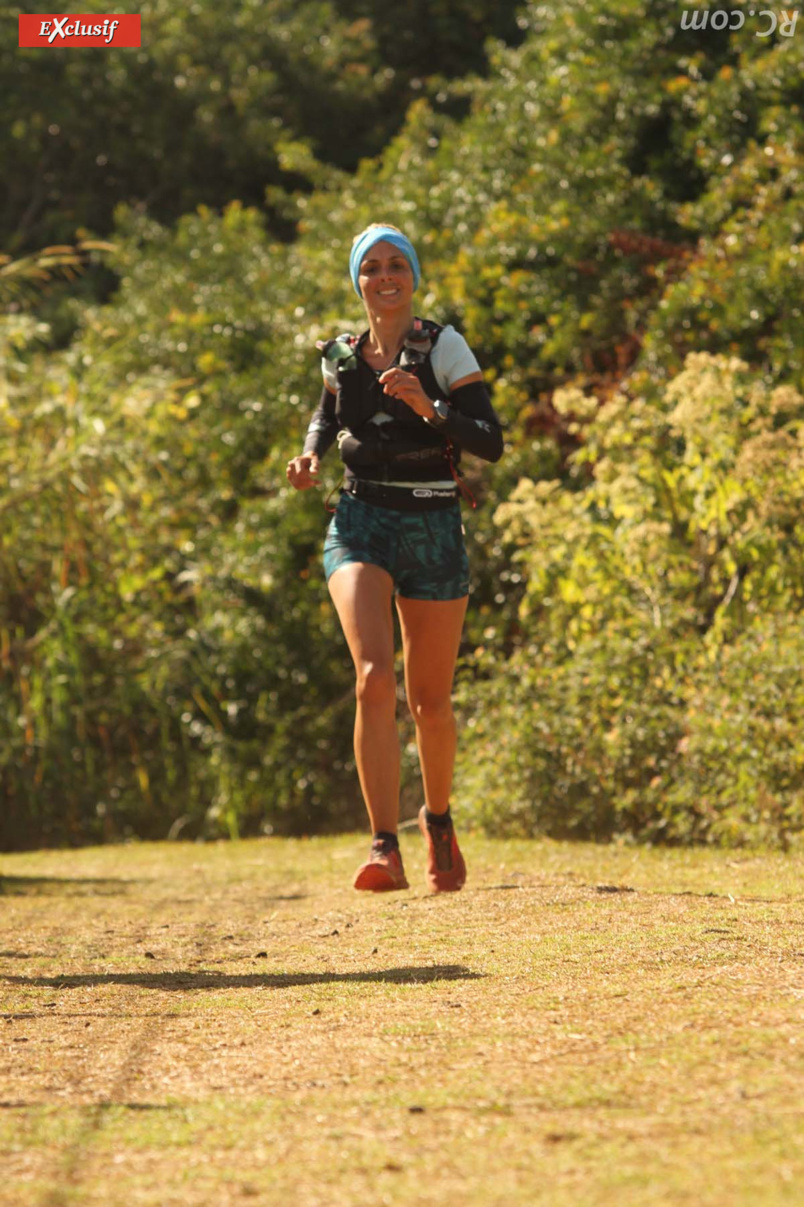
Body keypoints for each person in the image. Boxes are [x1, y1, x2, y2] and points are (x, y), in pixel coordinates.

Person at [286, 223, 503, 893]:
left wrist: (429, 406)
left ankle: (438, 820)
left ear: (412, 276)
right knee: (373, 677)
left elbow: (490, 441)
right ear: (358, 281)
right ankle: (384, 845)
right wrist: (310, 456)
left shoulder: (445, 347)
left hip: (433, 524)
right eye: (371, 267)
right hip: (360, 521)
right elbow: (327, 417)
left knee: (429, 702)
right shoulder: (341, 355)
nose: (384, 276)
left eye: (396, 265)